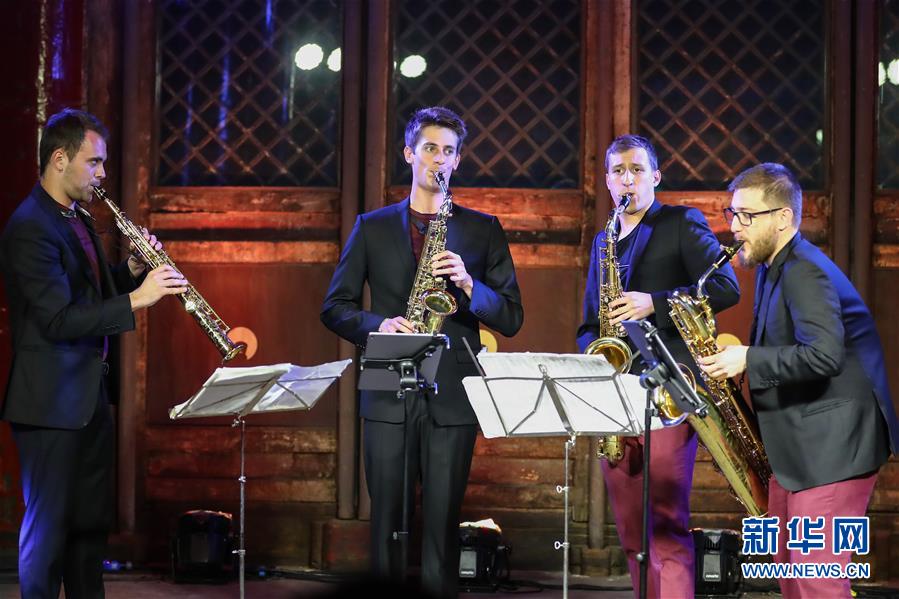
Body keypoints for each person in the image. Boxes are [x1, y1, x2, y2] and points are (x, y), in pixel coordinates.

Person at [320, 106, 523, 598]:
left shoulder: (483, 228)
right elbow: (335, 307)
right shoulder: (371, 226)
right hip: (389, 377)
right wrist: (379, 325)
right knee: (387, 520)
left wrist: (469, 285)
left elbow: (511, 317)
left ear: (457, 161)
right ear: (409, 154)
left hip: (453, 389)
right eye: (430, 148)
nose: (439, 158)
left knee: (443, 523)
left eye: (449, 151)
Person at [0, 108, 187, 598]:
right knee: (47, 535)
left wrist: (131, 271)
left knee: (88, 533)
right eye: (95, 162)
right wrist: (138, 299)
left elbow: (93, 297)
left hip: (88, 399)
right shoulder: (30, 226)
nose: (103, 174)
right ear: (60, 159)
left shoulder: (76, 216)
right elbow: (58, 320)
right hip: (49, 405)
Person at [698, 162, 899, 599]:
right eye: (733, 214)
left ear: (783, 217)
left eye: (746, 215)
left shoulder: (805, 270)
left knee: (816, 578)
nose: (734, 226)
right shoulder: (774, 266)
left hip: (832, 450)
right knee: (789, 571)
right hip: (799, 449)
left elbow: (824, 355)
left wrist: (747, 358)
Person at [576, 134, 740, 599]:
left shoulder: (681, 222)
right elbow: (589, 323)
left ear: (655, 177)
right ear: (608, 182)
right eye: (618, 171)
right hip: (617, 397)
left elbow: (726, 288)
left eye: (637, 170)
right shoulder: (604, 240)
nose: (627, 179)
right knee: (632, 535)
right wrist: (596, 357)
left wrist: (656, 302)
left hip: (669, 391)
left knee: (666, 528)